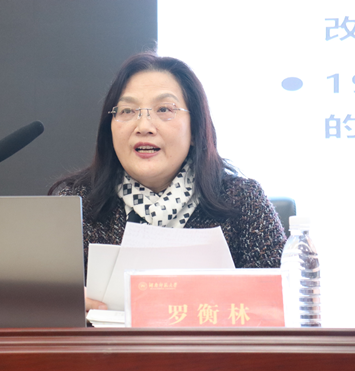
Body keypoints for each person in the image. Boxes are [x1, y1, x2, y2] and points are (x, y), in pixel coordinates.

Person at [49, 52, 286, 311]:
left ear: (195, 129)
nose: (144, 126)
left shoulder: (242, 201)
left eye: (164, 110)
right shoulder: (75, 204)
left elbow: (282, 304)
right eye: (127, 111)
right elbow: (40, 306)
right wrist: (60, 307)